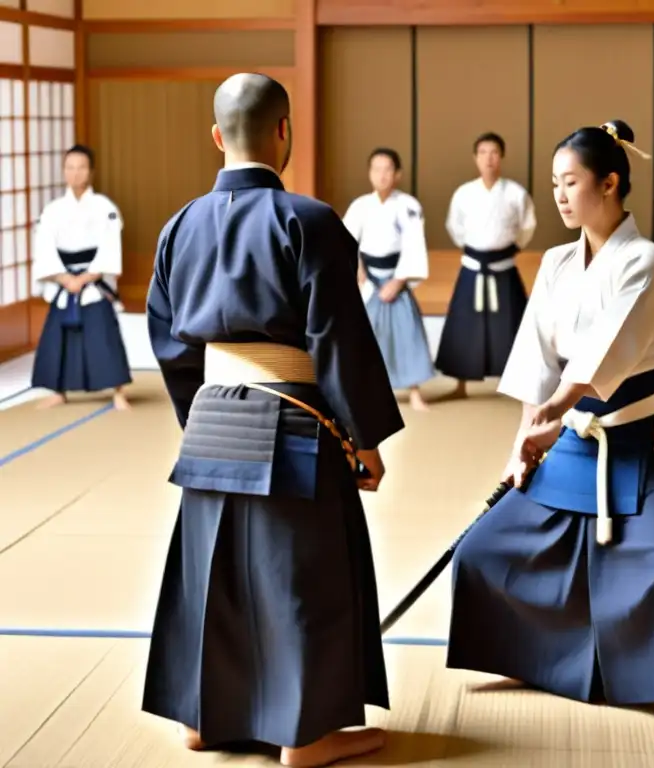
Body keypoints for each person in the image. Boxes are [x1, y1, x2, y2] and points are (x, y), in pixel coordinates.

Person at [446, 120, 654, 759]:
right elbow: (538, 367)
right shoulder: (558, 261)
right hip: (570, 442)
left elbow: (600, 362)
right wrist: (520, 443)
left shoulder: (647, 262)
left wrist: (555, 416)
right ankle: (531, 657)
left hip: (639, 441)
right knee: (481, 552)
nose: (560, 196)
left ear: (610, 183)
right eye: (554, 184)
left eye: (571, 182)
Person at [141, 73, 404, 768]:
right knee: (301, 575)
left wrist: (198, 419)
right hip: (292, 424)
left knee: (215, 574)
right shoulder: (309, 221)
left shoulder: (179, 226)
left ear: (216, 136)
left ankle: (206, 719)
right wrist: (366, 440)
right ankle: (306, 734)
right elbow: (338, 339)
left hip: (210, 423)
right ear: (284, 132)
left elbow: (169, 344)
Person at [434, 132, 537, 398]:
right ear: (475, 158)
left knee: (512, 325)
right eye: (483, 153)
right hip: (473, 265)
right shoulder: (464, 193)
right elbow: (454, 227)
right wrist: (473, 250)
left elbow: (527, 226)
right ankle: (460, 385)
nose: (488, 158)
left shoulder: (515, 193)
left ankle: (519, 387)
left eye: (493, 152)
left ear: (501, 156)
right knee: (465, 326)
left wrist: (513, 248)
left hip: (503, 265)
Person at [29, 144, 131, 411]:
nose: (75, 173)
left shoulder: (104, 207)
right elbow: (44, 248)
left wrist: (86, 277)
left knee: (104, 335)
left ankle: (118, 390)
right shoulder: (52, 210)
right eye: (70, 167)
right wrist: (64, 279)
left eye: (81, 167)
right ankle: (58, 391)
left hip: (93, 279)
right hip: (64, 279)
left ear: (91, 172)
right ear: (64, 171)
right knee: (57, 338)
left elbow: (110, 247)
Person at [343, 147, 434, 411]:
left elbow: (414, 246)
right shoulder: (360, 205)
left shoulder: (409, 206)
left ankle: (415, 391)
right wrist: (357, 268)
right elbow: (346, 240)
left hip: (397, 275)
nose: (382, 175)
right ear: (370, 173)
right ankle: (363, 391)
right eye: (376, 169)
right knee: (364, 334)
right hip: (368, 277)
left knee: (408, 333)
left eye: (387, 170)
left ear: (397, 174)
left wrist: (399, 280)